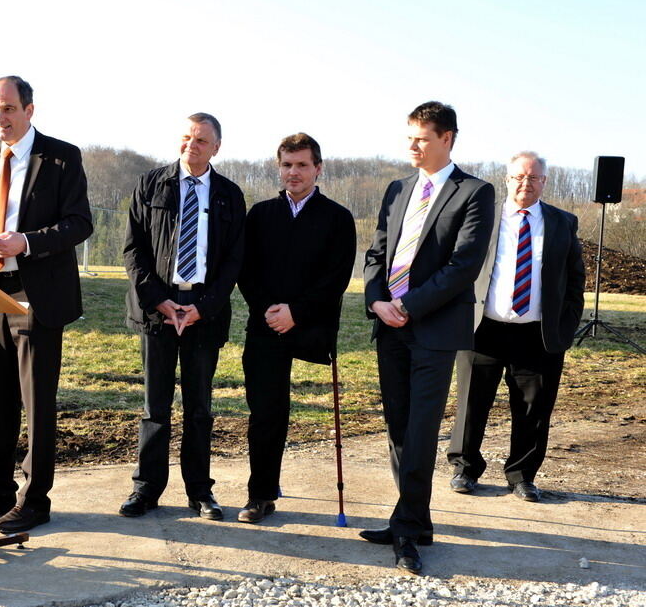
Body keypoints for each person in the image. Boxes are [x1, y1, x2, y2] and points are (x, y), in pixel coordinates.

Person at [0, 75, 92, 533]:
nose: (0, 117)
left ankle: (35, 500)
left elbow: (79, 224)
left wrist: (26, 242)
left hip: (38, 295)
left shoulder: (61, 157)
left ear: (30, 110)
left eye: (8, 108)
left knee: (36, 402)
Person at [361, 102, 494, 574]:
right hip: (389, 326)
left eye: (421, 138)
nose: (411, 146)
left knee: (419, 431)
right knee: (398, 429)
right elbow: (378, 252)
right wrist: (377, 301)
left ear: (448, 138)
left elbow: (464, 266)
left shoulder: (475, 192)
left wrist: (408, 306)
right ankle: (415, 520)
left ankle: (406, 530)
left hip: (434, 329)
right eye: (409, 137)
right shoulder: (398, 189)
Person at [120, 113, 246, 521]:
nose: (192, 144)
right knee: (155, 406)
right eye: (187, 137)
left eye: (202, 139)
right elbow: (133, 250)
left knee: (199, 409)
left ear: (216, 147)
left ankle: (199, 491)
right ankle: (146, 489)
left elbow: (233, 262)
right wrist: (159, 300)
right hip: (157, 309)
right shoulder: (150, 184)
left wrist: (201, 308)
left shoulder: (229, 194)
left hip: (203, 313)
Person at [446, 152, 584, 502]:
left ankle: (522, 475)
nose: (526, 183)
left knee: (533, 407)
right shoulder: (483, 217)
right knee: (472, 401)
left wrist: (565, 325)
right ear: (506, 179)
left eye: (534, 178)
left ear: (545, 182)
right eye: (519, 177)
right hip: (483, 329)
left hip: (537, 333)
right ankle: (465, 467)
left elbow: (575, 281)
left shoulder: (562, 222)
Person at [236, 133, 356, 524]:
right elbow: (246, 270)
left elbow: (336, 278)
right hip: (265, 324)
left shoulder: (337, 218)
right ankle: (262, 494)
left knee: (282, 411)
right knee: (266, 412)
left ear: (318, 169)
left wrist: (296, 313)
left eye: (302, 165)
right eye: (287, 164)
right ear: (279, 167)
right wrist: (270, 311)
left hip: (309, 324)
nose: (294, 172)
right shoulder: (260, 214)